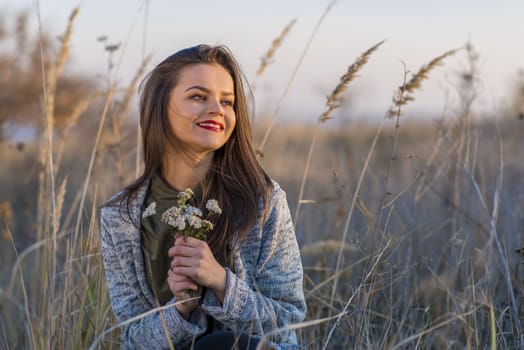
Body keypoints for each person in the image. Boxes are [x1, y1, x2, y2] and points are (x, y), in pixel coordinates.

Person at [100, 44, 306, 349]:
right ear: (160, 105)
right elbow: (134, 337)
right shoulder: (122, 215)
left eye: (227, 101)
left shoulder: (263, 201)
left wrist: (221, 283)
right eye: (198, 97)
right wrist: (180, 308)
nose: (217, 110)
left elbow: (286, 320)